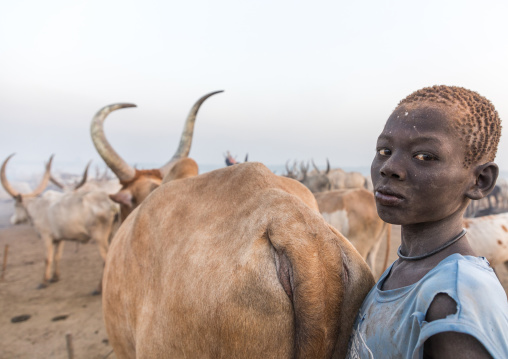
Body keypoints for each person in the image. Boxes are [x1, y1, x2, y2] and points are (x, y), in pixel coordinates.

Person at [347, 85, 508, 358]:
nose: (389, 168)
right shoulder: (404, 270)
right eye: (384, 150)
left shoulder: (455, 301)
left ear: (480, 181)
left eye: (424, 157)